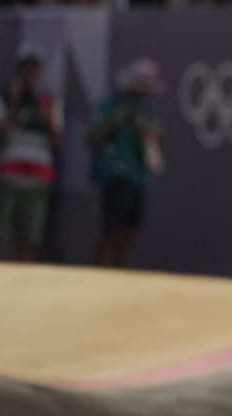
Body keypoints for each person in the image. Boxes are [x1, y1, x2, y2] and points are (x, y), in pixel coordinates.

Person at [90, 58, 164, 267]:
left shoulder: (146, 107)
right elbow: (93, 138)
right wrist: (115, 121)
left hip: (138, 176)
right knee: (111, 231)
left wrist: (150, 133)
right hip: (115, 175)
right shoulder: (111, 104)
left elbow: (157, 136)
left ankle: (120, 275)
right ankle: (96, 275)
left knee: (130, 232)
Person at [0, 45, 60, 262]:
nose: (30, 72)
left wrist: (46, 114)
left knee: (31, 236)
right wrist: (14, 103)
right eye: (26, 67)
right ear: (19, 68)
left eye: (34, 68)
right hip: (8, 172)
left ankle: (25, 275)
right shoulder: (3, 95)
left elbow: (56, 140)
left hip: (38, 173)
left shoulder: (48, 99)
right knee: (0, 233)